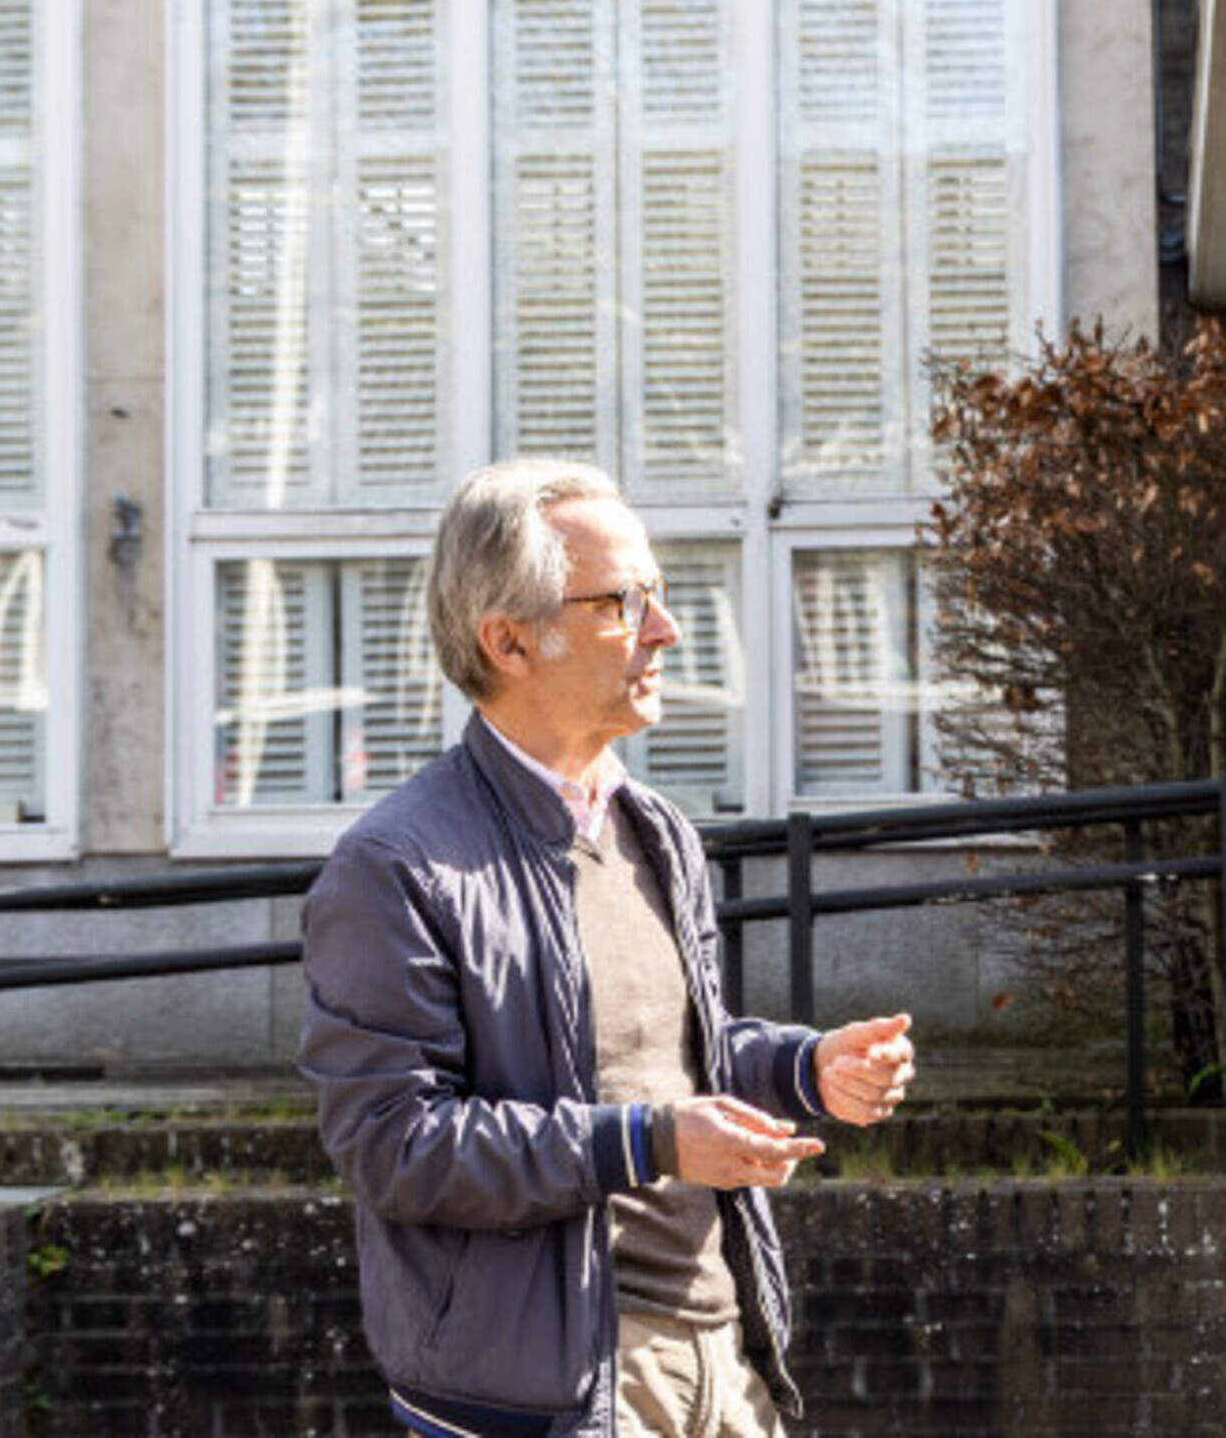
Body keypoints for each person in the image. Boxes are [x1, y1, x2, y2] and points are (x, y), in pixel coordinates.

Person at [301, 459, 918, 1438]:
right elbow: (395, 1147)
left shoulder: (656, 831)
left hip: (725, 1355)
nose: (665, 630)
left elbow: (673, 1060)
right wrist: (649, 1142)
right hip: (550, 1392)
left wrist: (806, 1070)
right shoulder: (395, 866)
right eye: (622, 603)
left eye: (657, 596)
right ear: (508, 640)